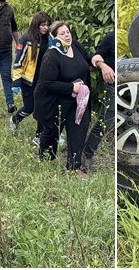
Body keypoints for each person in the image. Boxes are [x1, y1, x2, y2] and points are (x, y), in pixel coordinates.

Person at [34, 21, 96, 177]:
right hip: (57, 102)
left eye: (67, 32)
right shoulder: (52, 55)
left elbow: (88, 57)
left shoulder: (74, 46)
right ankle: (45, 160)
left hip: (79, 101)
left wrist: (99, 61)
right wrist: (71, 88)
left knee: (79, 131)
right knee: (51, 133)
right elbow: (46, 84)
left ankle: (74, 167)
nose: (67, 35)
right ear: (54, 37)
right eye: (62, 33)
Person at [10, 11, 52, 140]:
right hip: (28, 80)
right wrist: (16, 81)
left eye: (47, 25)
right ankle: (15, 119)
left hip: (44, 79)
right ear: (36, 24)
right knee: (30, 107)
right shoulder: (26, 39)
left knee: (42, 107)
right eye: (42, 25)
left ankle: (39, 136)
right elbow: (18, 61)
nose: (45, 28)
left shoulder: (50, 38)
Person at [83, 30, 116, 164]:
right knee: (104, 122)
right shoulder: (110, 37)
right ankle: (86, 154)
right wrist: (103, 66)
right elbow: (96, 57)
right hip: (113, 84)